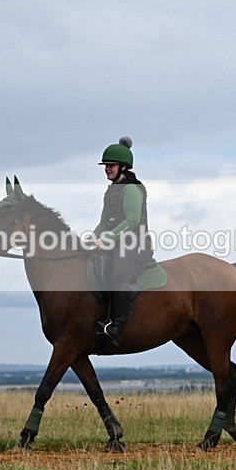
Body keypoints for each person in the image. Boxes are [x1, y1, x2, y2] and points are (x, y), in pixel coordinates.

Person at [92, 136, 153, 347]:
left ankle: (117, 325)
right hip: (115, 245)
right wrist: (91, 238)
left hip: (134, 246)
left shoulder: (132, 189)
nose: (107, 169)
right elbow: (102, 223)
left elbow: (133, 220)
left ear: (123, 167)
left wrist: (107, 237)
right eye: (105, 165)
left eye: (111, 165)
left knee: (118, 273)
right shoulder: (111, 191)